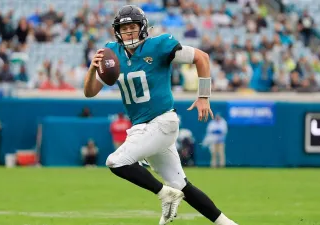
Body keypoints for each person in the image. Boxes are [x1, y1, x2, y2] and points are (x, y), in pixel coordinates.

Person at [83, 5, 238, 225]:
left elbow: (201, 58)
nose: (128, 32)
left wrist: (204, 96)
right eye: (124, 27)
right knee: (182, 185)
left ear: (142, 28)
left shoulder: (158, 46)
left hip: (162, 122)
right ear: (117, 30)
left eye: (132, 27)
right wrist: (92, 70)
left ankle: (164, 193)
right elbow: (89, 92)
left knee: (116, 161)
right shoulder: (111, 53)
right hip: (143, 128)